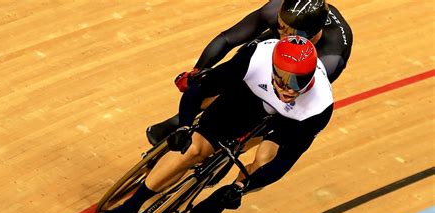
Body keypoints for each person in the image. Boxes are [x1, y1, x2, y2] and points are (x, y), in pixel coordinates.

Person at [99, 35, 334, 213]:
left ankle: (227, 192)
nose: (288, 88)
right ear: (272, 66)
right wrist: (184, 127)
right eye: (282, 79)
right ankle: (130, 206)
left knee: (265, 160)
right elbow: (200, 91)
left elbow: (286, 161)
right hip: (249, 97)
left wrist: (242, 188)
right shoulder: (256, 58)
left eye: (297, 82)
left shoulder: (319, 106)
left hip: (286, 122)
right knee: (194, 149)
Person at [146, 0, 352, 145]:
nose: (281, 33)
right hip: (272, 48)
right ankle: (180, 119)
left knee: (266, 108)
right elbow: (227, 39)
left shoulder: (331, 58)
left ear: (308, 36)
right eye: (280, 28)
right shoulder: (279, 11)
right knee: (239, 65)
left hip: (299, 76)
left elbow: (290, 101)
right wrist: (197, 71)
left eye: (287, 33)